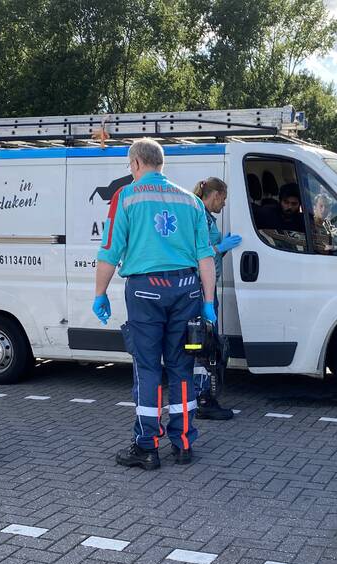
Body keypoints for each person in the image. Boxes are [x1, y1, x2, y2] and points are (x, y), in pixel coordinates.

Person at [94, 138, 217, 471]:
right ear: (160, 164)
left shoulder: (127, 197)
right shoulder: (191, 201)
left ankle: (147, 446)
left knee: (147, 368)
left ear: (135, 163)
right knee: (182, 368)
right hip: (187, 290)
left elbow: (109, 251)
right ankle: (184, 442)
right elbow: (205, 255)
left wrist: (99, 292)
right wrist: (209, 302)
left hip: (146, 291)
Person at [191, 177, 241, 421]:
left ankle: (203, 397)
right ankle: (203, 399)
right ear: (216, 194)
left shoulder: (205, 215)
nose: (224, 204)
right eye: (224, 199)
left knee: (209, 346)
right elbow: (193, 252)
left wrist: (222, 245)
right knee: (205, 347)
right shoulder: (198, 213)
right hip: (201, 290)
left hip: (206, 289)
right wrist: (220, 247)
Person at [255, 182, 306, 250]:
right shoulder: (266, 214)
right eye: (286, 202)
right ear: (280, 201)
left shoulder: (304, 221)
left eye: (294, 204)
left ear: (299, 204)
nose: (289, 207)